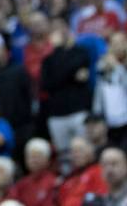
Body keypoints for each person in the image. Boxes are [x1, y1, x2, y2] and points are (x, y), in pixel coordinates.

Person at [41, 17, 93, 158]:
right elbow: (47, 85)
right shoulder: (48, 59)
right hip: (57, 115)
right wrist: (70, 74)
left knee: (85, 150)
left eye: (60, 27)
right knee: (64, 157)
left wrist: (61, 73)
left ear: (67, 29)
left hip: (79, 111)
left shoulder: (80, 52)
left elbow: (59, 76)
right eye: (54, 28)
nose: (58, 31)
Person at [94, 31, 127, 146]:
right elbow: (99, 91)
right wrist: (97, 113)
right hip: (110, 120)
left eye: (121, 42)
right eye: (114, 43)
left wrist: (117, 66)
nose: (117, 47)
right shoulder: (104, 66)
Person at [5, 138, 57, 206]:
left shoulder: (54, 181)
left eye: (37, 156)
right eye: (30, 156)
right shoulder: (21, 184)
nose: (33, 160)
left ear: (47, 160)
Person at [58, 137, 108, 206]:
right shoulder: (68, 179)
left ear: (90, 151)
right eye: (73, 152)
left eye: (80, 151)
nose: (76, 155)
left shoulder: (98, 171)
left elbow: (102, 198)